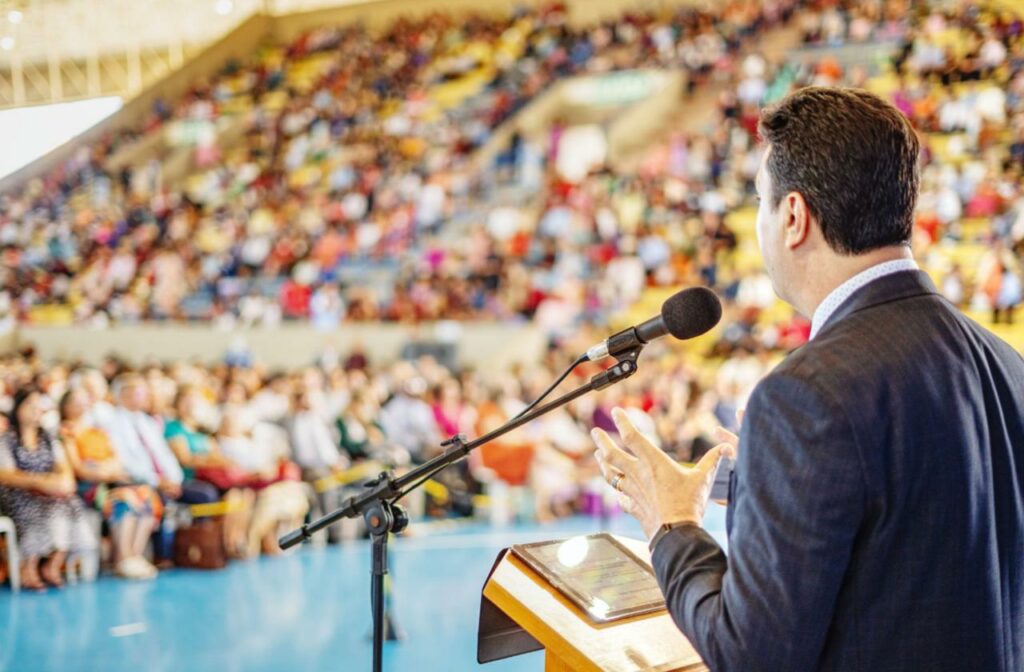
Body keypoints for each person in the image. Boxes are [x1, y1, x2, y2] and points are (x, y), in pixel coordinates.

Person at [593, 87, 1024, 671]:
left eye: (760, 202)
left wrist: (672, 524)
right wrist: (768, 484)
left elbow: (752, 655)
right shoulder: (1003, 362)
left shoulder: (809, 393)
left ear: (793, 216)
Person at [60, 388, 163, 579]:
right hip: (88, 487)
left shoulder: (97, 431)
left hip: (110, 480)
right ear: (65, 406)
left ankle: (134, 555)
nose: (81, 405)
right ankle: (122, 559)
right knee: (124, 499)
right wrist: (103, 472)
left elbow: (117, 459)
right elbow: (78, 468)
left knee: (146, 496)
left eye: (84, 401)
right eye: (75, 401)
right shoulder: (66, 432)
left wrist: (108, 470)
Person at [0, 388, 97, 590]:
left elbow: (63, 469)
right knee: (47, 509)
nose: (35, 410)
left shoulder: (48, 438)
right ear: (18, 408)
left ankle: (52, 563)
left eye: (38, 406)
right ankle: (29, 565)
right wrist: (41, 482)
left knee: (71, 504)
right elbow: (7, 475)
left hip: (49, 494)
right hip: (19, 494)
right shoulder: (7, 439)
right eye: (30, 405)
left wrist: (59, 483)